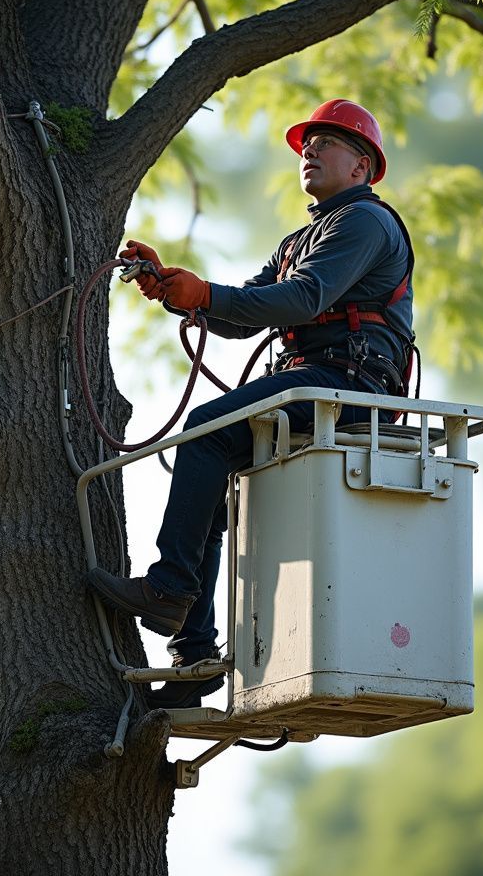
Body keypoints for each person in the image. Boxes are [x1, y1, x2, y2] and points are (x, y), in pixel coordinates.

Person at [88, 99, 415, 709]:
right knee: (213, 473)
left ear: (362, 167)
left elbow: (302, 299)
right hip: (314, 381)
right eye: (306, 144)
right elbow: (245, 315)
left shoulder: (365, 223)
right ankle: (196, 655)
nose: (309, 151)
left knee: (207, 430)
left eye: (327, 142)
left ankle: (170, 590)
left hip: (348, 385)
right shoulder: (306, 237)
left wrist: (208, 293)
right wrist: (184, 295)